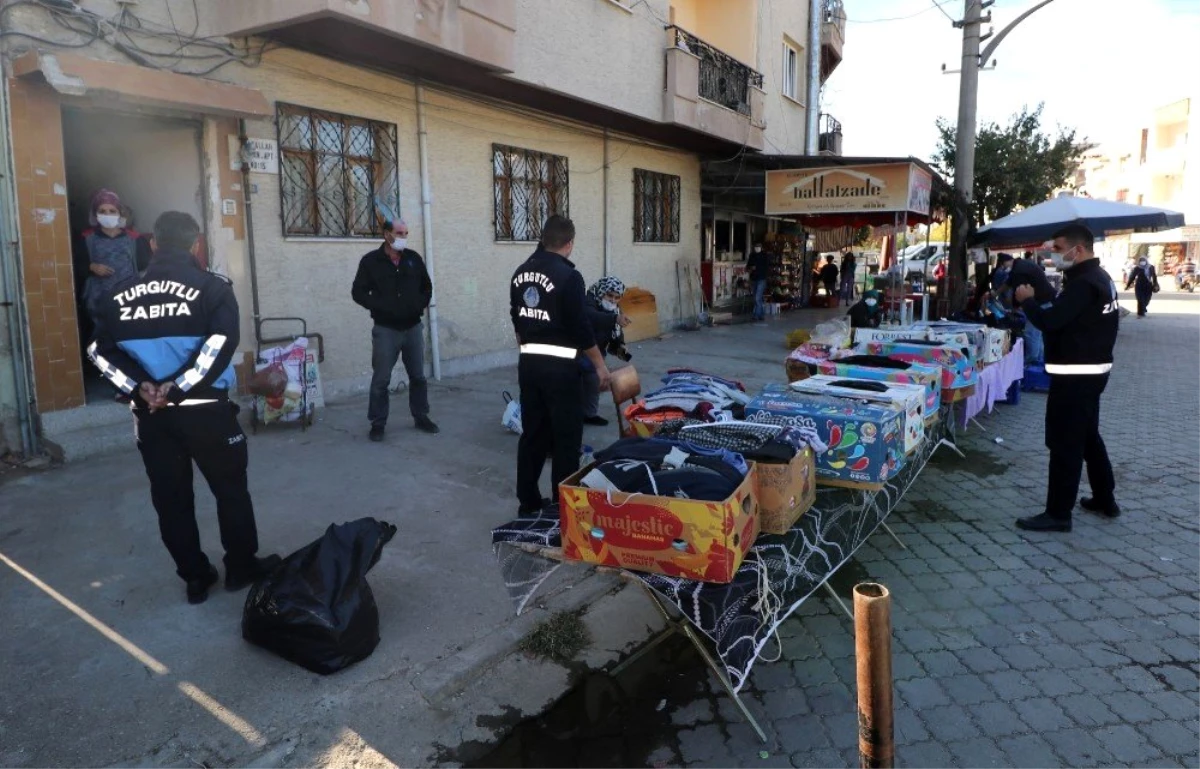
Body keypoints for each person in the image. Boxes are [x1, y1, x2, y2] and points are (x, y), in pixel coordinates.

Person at [86, 211, 279, 604]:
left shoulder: (117, 292)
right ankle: (241, 568)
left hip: (152, 419)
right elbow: (219, 348)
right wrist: (174, 389)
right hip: (205, 412)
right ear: (195, 246)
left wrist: (142, 390)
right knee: (231, 492)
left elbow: (99, 352)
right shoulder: (213, 288)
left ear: (153, 244)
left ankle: (195, 577)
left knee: (171, 499)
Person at [1013, 224, 1119, 533]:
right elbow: (1071, 315)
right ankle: (1104, 498)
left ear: (1079, 250)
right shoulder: (1099, 278)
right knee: (1088, 438)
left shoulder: (1084, 283)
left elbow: (1050, 321)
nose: (1054, 254)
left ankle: (1058, 513)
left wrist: (1027, 301)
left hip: (1075, 378)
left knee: (1065, 445)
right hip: (1091, 373)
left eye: (1059, 249)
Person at [510, 215, 610, 516]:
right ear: (569, 243)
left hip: (529, 365)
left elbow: (517, 319)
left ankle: (527, 503)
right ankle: (561, 508)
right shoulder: (569, 277)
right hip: (561, 369)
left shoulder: (520, 273)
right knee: (566, 439)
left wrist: (530, 349)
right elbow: (581, 328)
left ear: (543, 239)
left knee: (533, 435)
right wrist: (600, 366)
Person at [352, 218, 439, 441]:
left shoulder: (413, 259)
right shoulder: (371, 262)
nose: (403, 237)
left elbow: (426, 287)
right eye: (399, 233)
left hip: (412, 328)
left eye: (406, 233)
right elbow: (358, 292)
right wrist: (379, 306)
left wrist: (418, 304)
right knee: (381, 379)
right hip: (385, 329)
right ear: (387, 234)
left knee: (418, 376)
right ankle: (378, 423)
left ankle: (421, 416)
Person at [74, 188, 153, 322]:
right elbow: (76, 266)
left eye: (112, 211)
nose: (107, 214)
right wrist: (92, 267)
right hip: (98, 300)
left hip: (130, 298)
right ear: (95, 215)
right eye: (102, 211)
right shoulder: (87, 239)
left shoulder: (134, 239)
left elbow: (146, 266)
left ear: (119, 213)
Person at [581, 276, 631, 426]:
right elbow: (592, 317)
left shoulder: (615, 310)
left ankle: (589, 414)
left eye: (617, 297)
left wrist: (622, 350)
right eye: (610, 296)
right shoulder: (588, 301)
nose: (613, 300)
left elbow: (616, 335)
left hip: (599, 351)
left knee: (594, 383)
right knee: (579, 383)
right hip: (581, 349)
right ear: (601, 292)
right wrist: (614, 319)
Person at [746, 243, 769, 321]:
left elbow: (766, 267)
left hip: (762, 279)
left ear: (761, 248)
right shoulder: (752, 255)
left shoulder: (764, 256)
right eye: (756, 247)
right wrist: (751, 268)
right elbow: (748, 266)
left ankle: (756, 315)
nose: (757, 248)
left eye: (758, 247)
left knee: (757, 298)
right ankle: (761, 315)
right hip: (754, 279)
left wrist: (758, 268)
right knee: (757, 298)